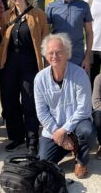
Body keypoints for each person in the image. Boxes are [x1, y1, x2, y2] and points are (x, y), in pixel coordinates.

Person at [0, 0, 49, 155]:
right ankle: (16, 137)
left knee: (29, 101)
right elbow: (3, 40)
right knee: (10, 101)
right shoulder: (6, 16)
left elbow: (45, 39)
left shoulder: (38, 14)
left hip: (30, 63)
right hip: (10, 63)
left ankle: (32, 140)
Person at [35, 33, 95, 179]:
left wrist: (64, 131)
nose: (54, 56)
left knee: (87, 131)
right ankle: (70, 145)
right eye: (50, 52)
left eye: (59, 52)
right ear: (45, 55)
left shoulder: (80, 74)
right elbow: (42, 112)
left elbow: (84, 109)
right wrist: (58, 134)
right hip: (53, 129)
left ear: (67, 53)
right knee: (44, 162)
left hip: (77, 124)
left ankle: (81, 160)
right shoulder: (40, 79)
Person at [46, 0, 93, 73]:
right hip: (57, 58)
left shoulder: (83, 6)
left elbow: (89, 33)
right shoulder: (51, 7)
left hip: (79, 58)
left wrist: (87, 57)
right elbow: (46, 34)